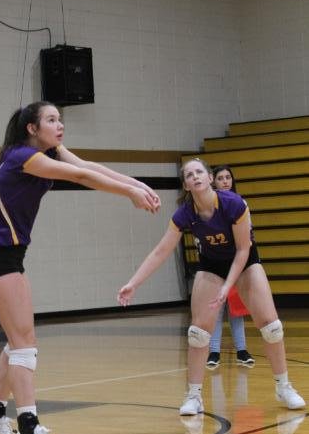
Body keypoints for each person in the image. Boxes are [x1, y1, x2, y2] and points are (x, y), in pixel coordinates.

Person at [0, 101, 161, 434]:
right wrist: (130, 195)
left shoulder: (48, 152)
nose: (60, 126)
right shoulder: (23, 157)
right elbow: (81, 178)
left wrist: (137, 184)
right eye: (52, 120)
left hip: (9, 258)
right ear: (32, 127)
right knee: (25, 345)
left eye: (61, 120)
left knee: (17, 343)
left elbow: (89, 167)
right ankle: (29, 431)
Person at [117, 157, 305, 416]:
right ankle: (193, 396)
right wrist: (133, 283)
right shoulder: (184, 214)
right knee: (198, 333)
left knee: (272, 327)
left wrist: (228, 287)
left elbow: (242, 250)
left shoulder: (233, 204)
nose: (195, 176)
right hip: (212, 265)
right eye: (189, 174)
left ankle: (284, 386)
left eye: (199, 172)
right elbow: (161, 251)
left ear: (208, 178)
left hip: (245, 262)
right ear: (186, 184)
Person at [206, 165, 254, 369]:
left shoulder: (241, 203)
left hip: (237, 261)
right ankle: (214, 352)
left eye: (228, 177)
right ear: (213, 182)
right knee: (216, 308)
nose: (225, 181)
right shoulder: (207, 206)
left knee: (236, 308)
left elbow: (248, 234)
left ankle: (242, 350)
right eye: (220, 178)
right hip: (216, 261)